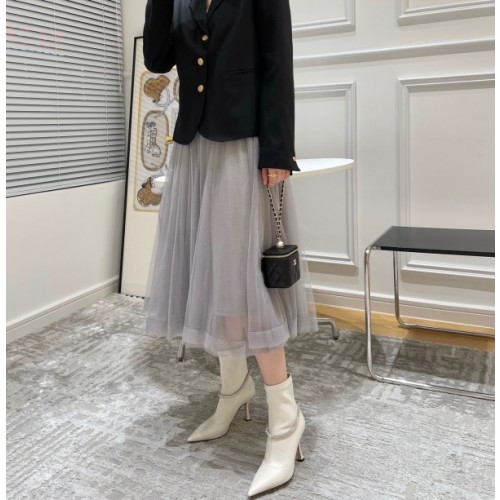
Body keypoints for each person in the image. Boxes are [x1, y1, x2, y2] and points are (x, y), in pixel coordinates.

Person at [142, 0, 318, 496]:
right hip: (193, 148)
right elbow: (157, 59)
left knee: (243, 283)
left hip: (244, 144)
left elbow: (278, 63)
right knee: (214, 277)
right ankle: (234, 390)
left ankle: (286, 421)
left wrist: (278, 149)